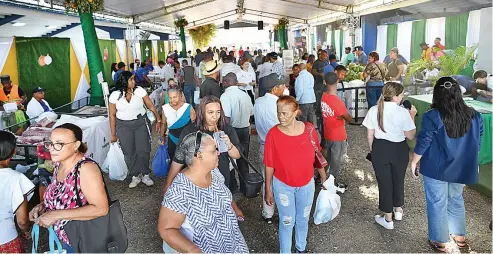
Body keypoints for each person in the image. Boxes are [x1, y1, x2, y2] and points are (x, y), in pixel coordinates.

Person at [409, 77, 483, 252]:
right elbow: (477, 142)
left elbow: (424, 140)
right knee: (456, 199)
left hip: (436, 168)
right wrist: (474, 162)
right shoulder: (475, 115)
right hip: (462, 167)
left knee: (437, 201)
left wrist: (414, 161)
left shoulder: (432, 115)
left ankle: (439, 240)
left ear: (437, 94)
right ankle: (460, 236)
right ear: (458, 93)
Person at [158, 132, 249, 253]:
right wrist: (193, 250)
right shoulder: (180, 190)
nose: (218, 152)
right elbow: (167, 229)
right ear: (199, 156)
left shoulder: (213, 172)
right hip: (208, 249)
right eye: (213, 150)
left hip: (234, 242)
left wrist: (235, 208)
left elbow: (223, 192)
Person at [29, 123, 109, 252]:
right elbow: (62, 194)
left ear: (76, 145)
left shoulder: (86, 169)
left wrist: (56, 215)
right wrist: (43, 205)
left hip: (81, 241)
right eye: (50, 143)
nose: (51, 149)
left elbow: (101, 209)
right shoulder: (59, 164)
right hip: (64, 237)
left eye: (59, 144)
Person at [264, 96, 327, 253]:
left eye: (285, 113)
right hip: (283, 186)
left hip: (306, 184)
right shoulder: (273, 134)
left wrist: (324, 177)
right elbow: (269, 164)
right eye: (279, 113)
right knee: (286, 221)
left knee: (303, 219)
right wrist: (268, 189)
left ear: (296, 112)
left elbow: (317, 155)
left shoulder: (309, 130)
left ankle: (301, 248)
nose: (281, 117)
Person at [163, 96, 244, 217]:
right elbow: (178, 160)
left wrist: (230, 145)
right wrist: (168, 185)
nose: (214, 116)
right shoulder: (190, 131)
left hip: (222, 174)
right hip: (196, 179)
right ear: (202, 112)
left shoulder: (227, 129)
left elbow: (237, 155)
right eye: (210, 112)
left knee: (220, 209)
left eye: (218, 112)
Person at [362, 82, 417, 230]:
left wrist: (373, 150)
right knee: (398, 178)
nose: (403, 97)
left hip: (380, 147)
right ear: (394, 97)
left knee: (384, 182)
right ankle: (398, 209)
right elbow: (410, 136)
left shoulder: (374, 109)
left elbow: (370, 135)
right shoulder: (403, 112)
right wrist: (412, 116)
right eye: (401, 95)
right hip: (399, 149)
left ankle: (388, 218)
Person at [108, 71, 161, 188]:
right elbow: (112, 115)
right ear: (124, 81)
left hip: (140, 123)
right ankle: (135, 175)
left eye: (133, 79)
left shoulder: (139, 91)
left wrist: (158, 119)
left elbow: (151, 106)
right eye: (131, 79)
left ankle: (145, 174)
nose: (134, 81)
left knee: (143, 150)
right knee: (129, 151)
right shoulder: (115, 95)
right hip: (123, 126)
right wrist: (113, 134)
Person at [254, 73, 288, 224]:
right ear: (275, 89)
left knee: (266, 180)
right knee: (282, 182)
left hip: (263, 145)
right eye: (282, 86)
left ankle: (267, 213)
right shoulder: (279, 105)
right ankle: (284, 212)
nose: (285, 88)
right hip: (280, 148)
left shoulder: (258, 102)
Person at [0, 131, 34, 253]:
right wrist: (27, 231)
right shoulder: (16, 179)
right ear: (14, 151)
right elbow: (22, 220)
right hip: (5, 239)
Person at [220, 73, 254, 193]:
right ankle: (246, 189)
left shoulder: (225, 96)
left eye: (224, 82)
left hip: (232, 131)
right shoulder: (245, 94)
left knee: (230, 159)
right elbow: (251, 114)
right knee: (243, 159)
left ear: (226, 82)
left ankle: (233, 187)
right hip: (245, 129)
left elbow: (226, 119)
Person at [321, 72, 352, 188]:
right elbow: (349, 118)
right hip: (338, 136)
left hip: (328, 133)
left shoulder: (324, 96)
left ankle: (322, 177)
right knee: (335, 163)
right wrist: (342, 116)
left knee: (328, 158)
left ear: (324, 82)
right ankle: (331, 184)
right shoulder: (338, 102)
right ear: (338, 81)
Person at [161, 87, 196, 160]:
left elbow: (194, 124)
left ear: (180, 96)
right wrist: (162, 136)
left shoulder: (188, 107)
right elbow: (163, 124)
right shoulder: (165, 108)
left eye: (175, 97)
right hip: (172, 138)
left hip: (186, 139)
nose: (172, 100)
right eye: (170, 98)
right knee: (172, 157)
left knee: (187, 160)